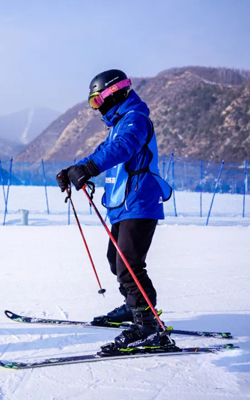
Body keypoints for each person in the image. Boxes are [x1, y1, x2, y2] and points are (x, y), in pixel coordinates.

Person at [56, 70, 173, 351]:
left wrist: (89, 168)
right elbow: (103, 150)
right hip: (123, 204)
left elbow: (123, 148)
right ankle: (132, 307)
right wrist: (73, 170)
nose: (97, 108)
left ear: (113, 94)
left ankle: (147, 325)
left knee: (130, 266)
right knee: (115, 260)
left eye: (97, 102)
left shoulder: (135, 120)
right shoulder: (118, 123)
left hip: (140, 202)